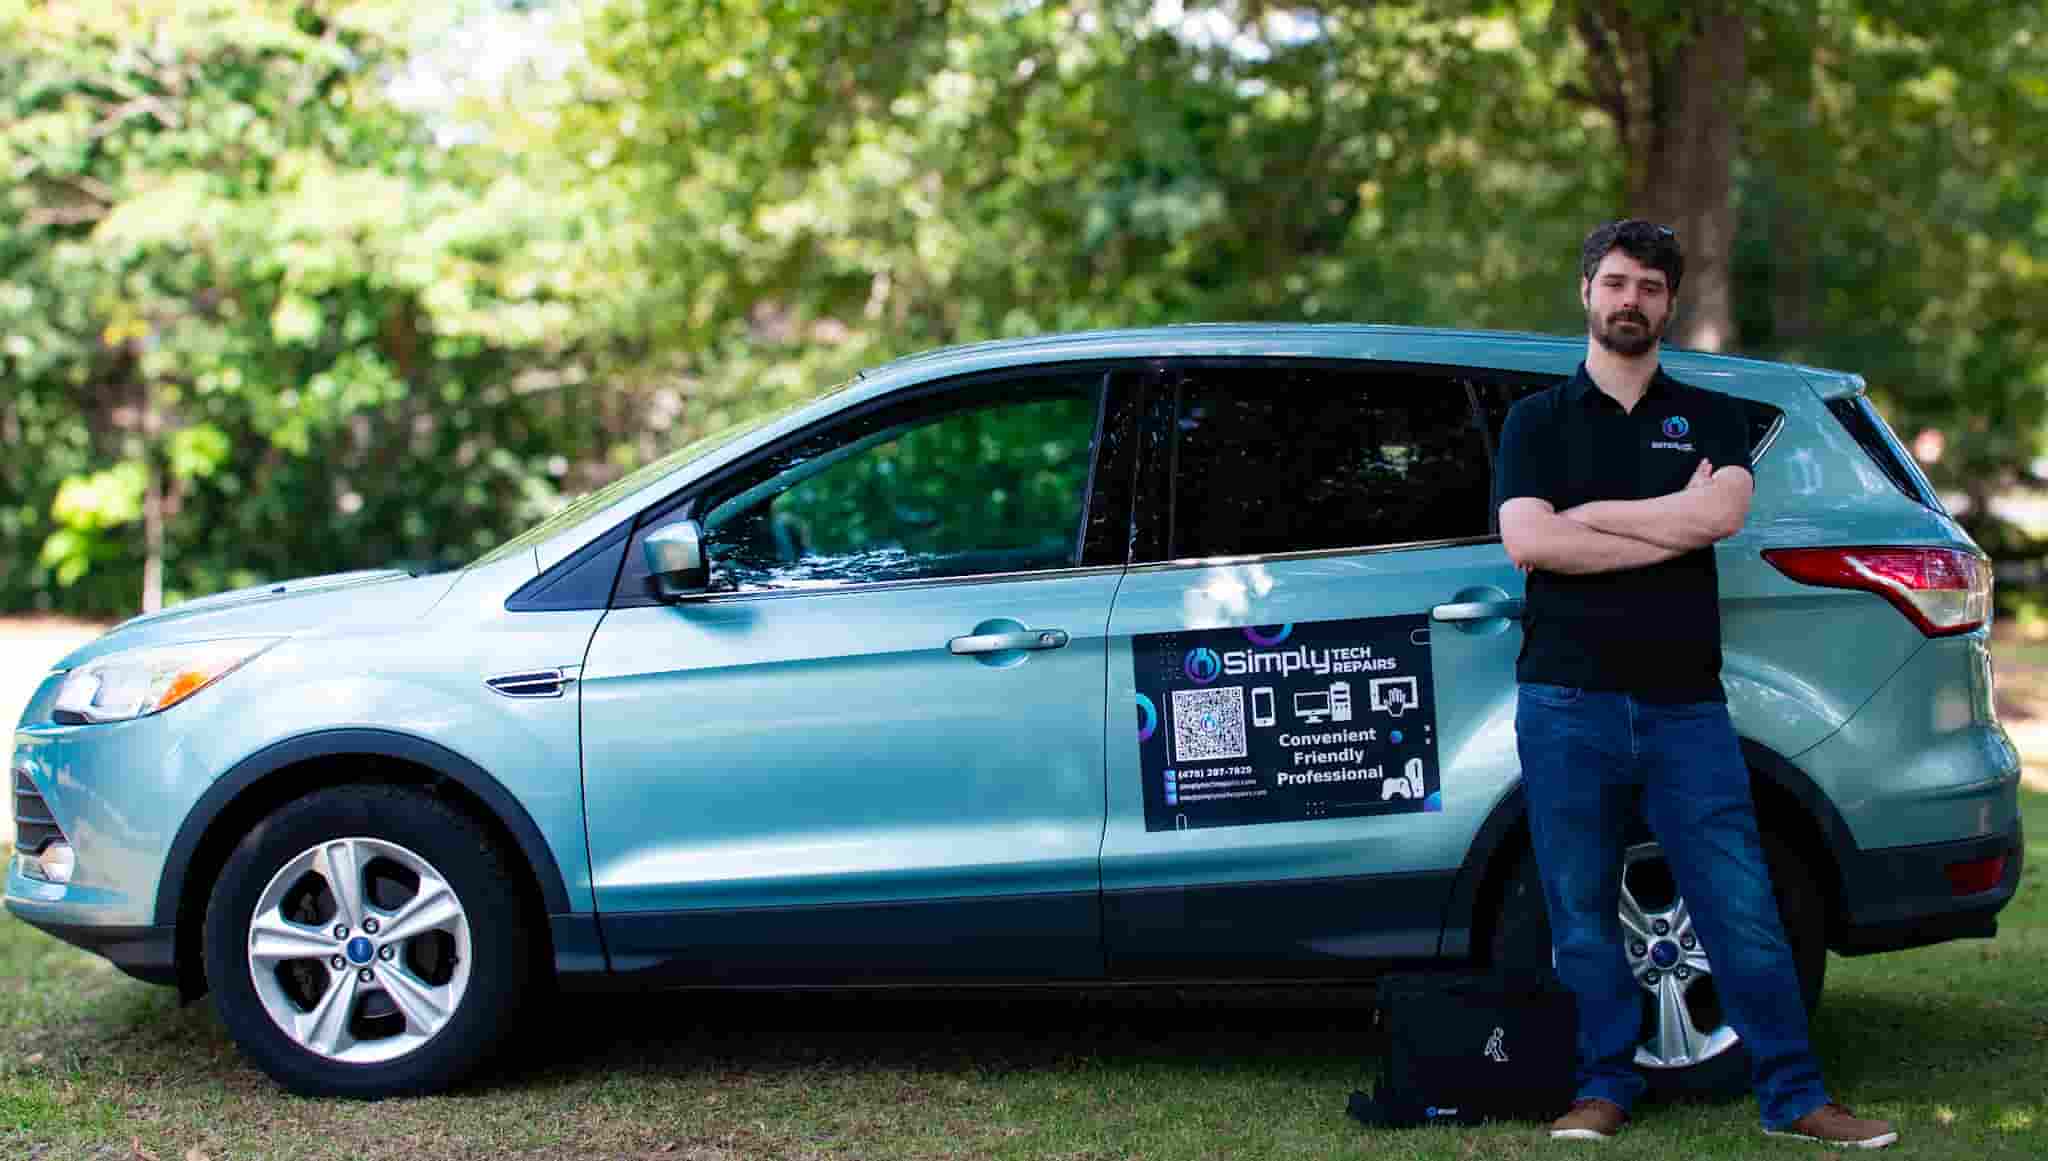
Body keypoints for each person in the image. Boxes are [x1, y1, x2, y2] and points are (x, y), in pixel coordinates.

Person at [1491, 219, 1898, 1149]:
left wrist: (1600, 517)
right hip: (1566, 700)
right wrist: (1671, 515)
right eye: (1616, 282)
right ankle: (1603, 1085)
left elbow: (1716, 518)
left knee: (1741, 904)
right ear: (1587, 291)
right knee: (1581, 910)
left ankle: (1794, 1094)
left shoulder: (1713, 418)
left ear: (1670, 303)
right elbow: (1532, 542)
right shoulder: (1535, 423)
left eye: (1649, 287)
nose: (1630, 300)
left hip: (1685, 705)